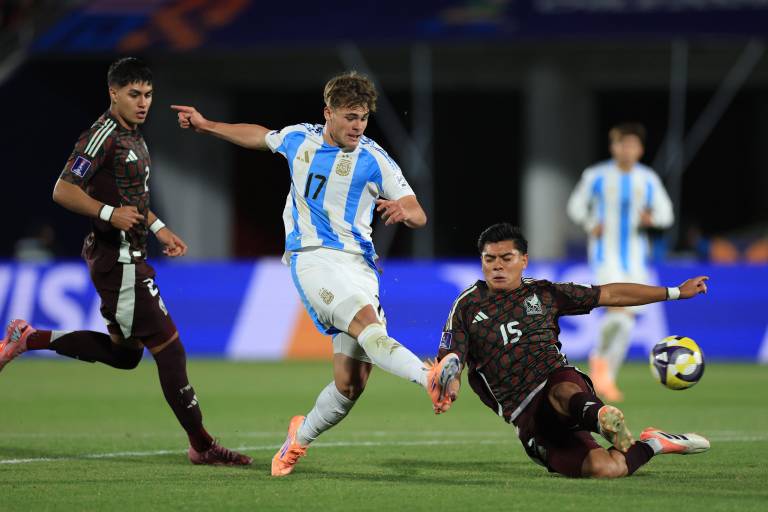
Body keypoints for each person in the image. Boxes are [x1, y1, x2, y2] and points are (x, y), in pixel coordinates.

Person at [172, 71, 456, 477]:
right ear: (329, 113)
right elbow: (260, 136)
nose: (358, 126)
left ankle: (298, 438)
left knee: (349, 385)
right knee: (367, 326)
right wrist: (206, 125)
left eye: (363, 118)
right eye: (350, 117)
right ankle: (428, 376)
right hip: (312, 259)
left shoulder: (373, 158)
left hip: (359, 267)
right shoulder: (300, 139)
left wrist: (402, 212)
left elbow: (418, 212)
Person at [0, 57, 252, 467]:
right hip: (119, 261)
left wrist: (159, 228)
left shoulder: (134, 135)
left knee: (125, 354)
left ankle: (29, 337)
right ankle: (203, 446)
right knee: (170, 352)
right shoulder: (101, 135)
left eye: (148, 94)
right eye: (134, 94)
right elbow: (63, 190)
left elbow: (132, 197)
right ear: (113, 93)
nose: (143, 102)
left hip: (129, 254)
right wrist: (107, 214)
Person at [432, 223, 710, 479]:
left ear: (524, 261)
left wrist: (675, 292)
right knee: (605, 469)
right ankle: (653, 443)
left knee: (561, 391)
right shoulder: (467, 306)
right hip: (525, 415)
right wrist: (450, 383)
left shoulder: (544, 293)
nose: (497, 266)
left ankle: (603, 419)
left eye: (506, 258)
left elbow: (609, 295)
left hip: (556, 379)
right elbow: (451, 359)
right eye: (489, 259)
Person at [567, 122, 674, 402]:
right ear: (613, 147)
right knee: (622, 313)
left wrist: (654, 219)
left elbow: (667, 213)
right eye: (621, 144)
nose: (626, 150)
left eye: (631, 145)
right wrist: (591, 222)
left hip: (637, 261)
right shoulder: (596, 176)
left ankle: (604, 372)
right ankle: (602, 366)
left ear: (639, 149)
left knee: (625, 322)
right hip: (605, 257)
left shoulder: (647, 179)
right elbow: (575, 206)